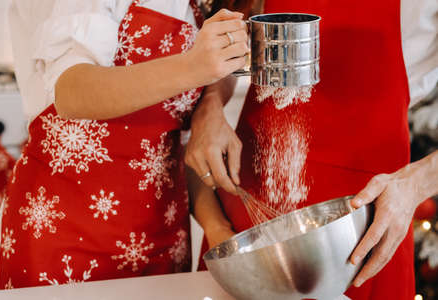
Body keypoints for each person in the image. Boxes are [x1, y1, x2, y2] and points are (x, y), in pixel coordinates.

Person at [186, 0, 438, 299]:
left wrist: (413, 186)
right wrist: (210, 107)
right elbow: (234, 32)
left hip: (367, 213)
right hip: (251, 196)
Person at [0, 0, 250, 290]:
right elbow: (71, 91)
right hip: (64, 236)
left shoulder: (195, 10)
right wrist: (194, 66)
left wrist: (217, 228)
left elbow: (172, 148)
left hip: (162, 246)